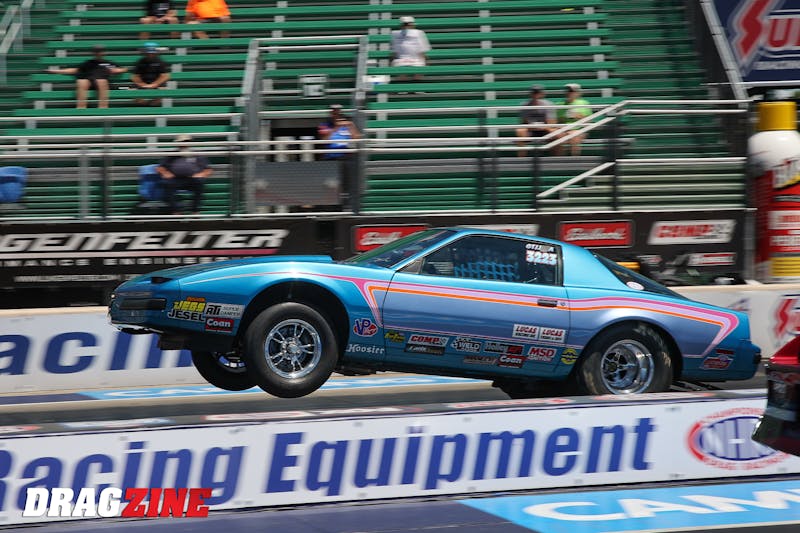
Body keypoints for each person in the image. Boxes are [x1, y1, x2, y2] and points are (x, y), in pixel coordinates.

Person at [47, 45, 127, 109]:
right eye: (96, 51)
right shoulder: (88, 63)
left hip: (102, 82)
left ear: (104, 52)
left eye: (100, 51)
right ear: (93, 53)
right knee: (81, 81)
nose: (98, 53)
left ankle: (103, 108)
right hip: (89, 82)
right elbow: (75, 70)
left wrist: (119, 70)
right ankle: (81, 108)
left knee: (101, 81)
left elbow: (122, 69)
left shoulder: (108, 63)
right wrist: (56, 71)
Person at [157, 134, 212, 214]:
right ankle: (176, 211)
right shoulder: (171, 155)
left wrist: (202, 174)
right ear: (177, 143)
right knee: (167, 184)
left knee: (199, 184)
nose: (184, 144)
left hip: (192, 179)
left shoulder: (197, 155)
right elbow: (160, 168)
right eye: (182, 142)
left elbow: (208, 169)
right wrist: (165, 173)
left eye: (187, 141)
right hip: (175, 179)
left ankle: (195, 211)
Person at [515, 84, 557, 157]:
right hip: (531, 130)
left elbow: (552, 123)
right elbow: (524, 122)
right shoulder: (524, 105)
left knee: (555, 132)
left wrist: (542, 127)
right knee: (520, 131)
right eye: (534, 93)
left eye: (538, 93)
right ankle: (521, 159)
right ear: (531, 94)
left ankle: (556, 158)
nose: (536, 95)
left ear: (542, 94)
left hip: (545, 130)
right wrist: (533, 126)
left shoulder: (548, 104)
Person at [390, 16, 430, 81]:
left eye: (407, 24)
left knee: (418, 71)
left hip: (416, 60)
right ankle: (403, 86)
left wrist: (424, 62)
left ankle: (416, 85)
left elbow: (422, 52)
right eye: (405, 24)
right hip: (401, 60)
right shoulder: (395, 34)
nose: (406, 26)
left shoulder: (419, 33)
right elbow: (394, 52)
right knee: (401, 73)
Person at [556, 83, 592, 156]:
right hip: (563, 129)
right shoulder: (560, 104)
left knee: (574, 135)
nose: (569, 93)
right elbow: (557, 121)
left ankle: (575, 159)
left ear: (577, 93)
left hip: (579, 129)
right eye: (568, 91)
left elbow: (589, 121)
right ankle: (560, 160)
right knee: (558, 137)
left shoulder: (583, 103)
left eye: (571, 91)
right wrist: (563, 119)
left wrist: (578, 116)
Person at [131, 42, 170, 106]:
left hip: (157, 84)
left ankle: (153, 107)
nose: (150, 55)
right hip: (142, 84)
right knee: (132, 91)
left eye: (152, 53)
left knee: (163, 91)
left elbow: (165, 76)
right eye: (148, 53)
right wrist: (142, 84)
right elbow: (135, 76)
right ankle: (144, 106)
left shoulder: (160, 62)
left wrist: (155, 84)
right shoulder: (140, 62)